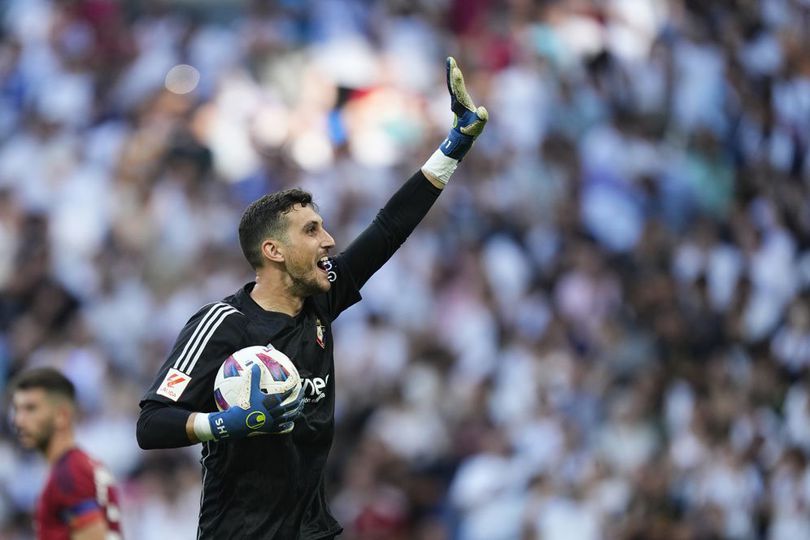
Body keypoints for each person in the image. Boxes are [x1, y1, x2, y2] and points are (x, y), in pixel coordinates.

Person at [136, 56, 488, 539]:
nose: (328, 240)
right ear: (273, 250)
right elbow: (152, 424)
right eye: (312, 231)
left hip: (312, 531)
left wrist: (456, 142)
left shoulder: (323, 297)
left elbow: (391, 226)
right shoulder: (222, 323)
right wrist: (227, 424)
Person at [10, 367, 123, 540]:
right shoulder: (79, 465)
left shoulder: (69, 475)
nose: (18, 421)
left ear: (61, 416)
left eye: (30, 409)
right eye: (17, 410)